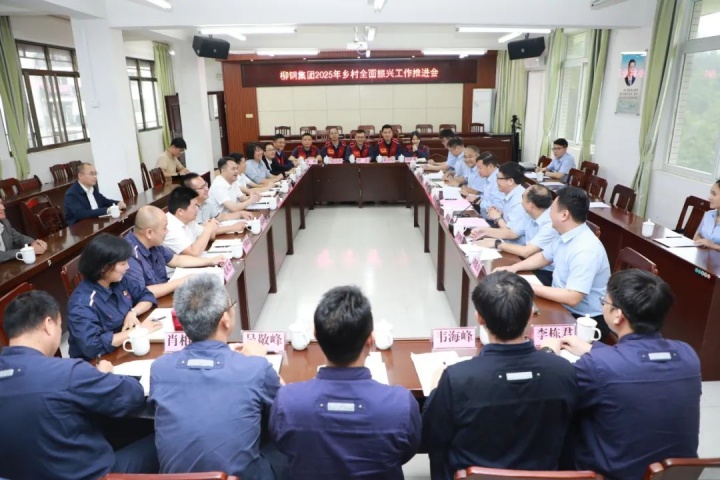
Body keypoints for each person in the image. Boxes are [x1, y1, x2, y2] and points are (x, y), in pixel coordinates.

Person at [542, 269, 701, 480]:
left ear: (618, 315)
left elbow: (550, 391)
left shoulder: (597, 366)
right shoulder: (688, 354)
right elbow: (639, 362)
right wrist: (592, 348)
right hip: (673, 475)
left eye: (604, 302)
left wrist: (548, 352)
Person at [422, 272, 577, 479]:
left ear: (479, 318)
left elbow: (430, 436)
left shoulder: (458, 378)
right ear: (531, 315)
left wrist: (435, 389)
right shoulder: (564, 371)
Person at [0, 290, 158, 480]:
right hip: (97, 475)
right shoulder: (66, 373)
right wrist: (105, 375)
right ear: (48, 324)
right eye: (60, 325)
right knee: (166, 437)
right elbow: (132, 396)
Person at [270, 286, 421, 479]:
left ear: (316, 336)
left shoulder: (287, 402)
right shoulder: (401, 404)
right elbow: (407, 452)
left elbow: (282, 445)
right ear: (370, 340)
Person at [150, 274, 287, 479]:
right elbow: (288, 409)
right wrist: (260, 359)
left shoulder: (160, 368)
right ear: (225, 319)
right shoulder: (255, 368)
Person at [495, 187, 612, 337]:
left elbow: (573, 297)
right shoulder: (565, 234)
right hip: (560, 305)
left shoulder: (586, 249)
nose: (548, 213)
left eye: (552, 209)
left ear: (564, 215)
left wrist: (526, 285)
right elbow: (544, 257)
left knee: (523, 330)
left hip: (583, 320)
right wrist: (514, 268)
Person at [67, 233, 160, 360]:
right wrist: (139, 331)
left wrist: (133, 312)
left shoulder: (118, 280)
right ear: (104, 267)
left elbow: (146, 295)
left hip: (123, 347)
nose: (127, 267)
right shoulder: (82, 303)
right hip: (98, 362)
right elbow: (93, 346)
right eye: (122, 264)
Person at [124, 205, 226, 298]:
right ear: (149, 233)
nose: (167, 231)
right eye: (164, 228)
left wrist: (210, 261)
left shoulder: (153, 243)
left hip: (164, 296)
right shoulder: (128, 254)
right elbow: (143, 292)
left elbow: (176, 260)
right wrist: (181, 281)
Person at [476, 185, 557, 286]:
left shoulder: (550, 224)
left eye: (523, 196)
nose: (521, 200)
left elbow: (526, 251)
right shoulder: (530, 213)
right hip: (528, 262)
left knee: (500, 282)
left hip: (544, 272)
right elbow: (512, 233)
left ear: (530, 205)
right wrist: (486, 231)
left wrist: (497, 243)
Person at [471, 162, 528, 244]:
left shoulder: (520, 201)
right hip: (506, 239)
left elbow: (511, 233)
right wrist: (500, 214)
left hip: (515, 244)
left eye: (498, 178)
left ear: (510, 181)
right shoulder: (511, 193)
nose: (496, 181)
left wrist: (497, 218)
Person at [164, 186, 222, 256]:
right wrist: (208, 229)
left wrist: (211, 227)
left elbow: (206, 236)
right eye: (194, 206)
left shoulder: (188, 220)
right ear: (180, 211)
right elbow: (193, 252)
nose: (197, 209)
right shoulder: (169, 226)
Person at [0, 198, 47, 262]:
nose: (3, 207)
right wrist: (26, 251)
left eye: (1, 203)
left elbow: (18, 237)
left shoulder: (4, 222)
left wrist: (33, 242)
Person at [694, 178, 720, 250]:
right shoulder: (708, 215)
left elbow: (710, 244)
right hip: (702, 255)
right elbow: (698, 236)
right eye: (711, 193)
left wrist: (713, 246)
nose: (709, 198)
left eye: (714, 194)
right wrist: (699, 242)